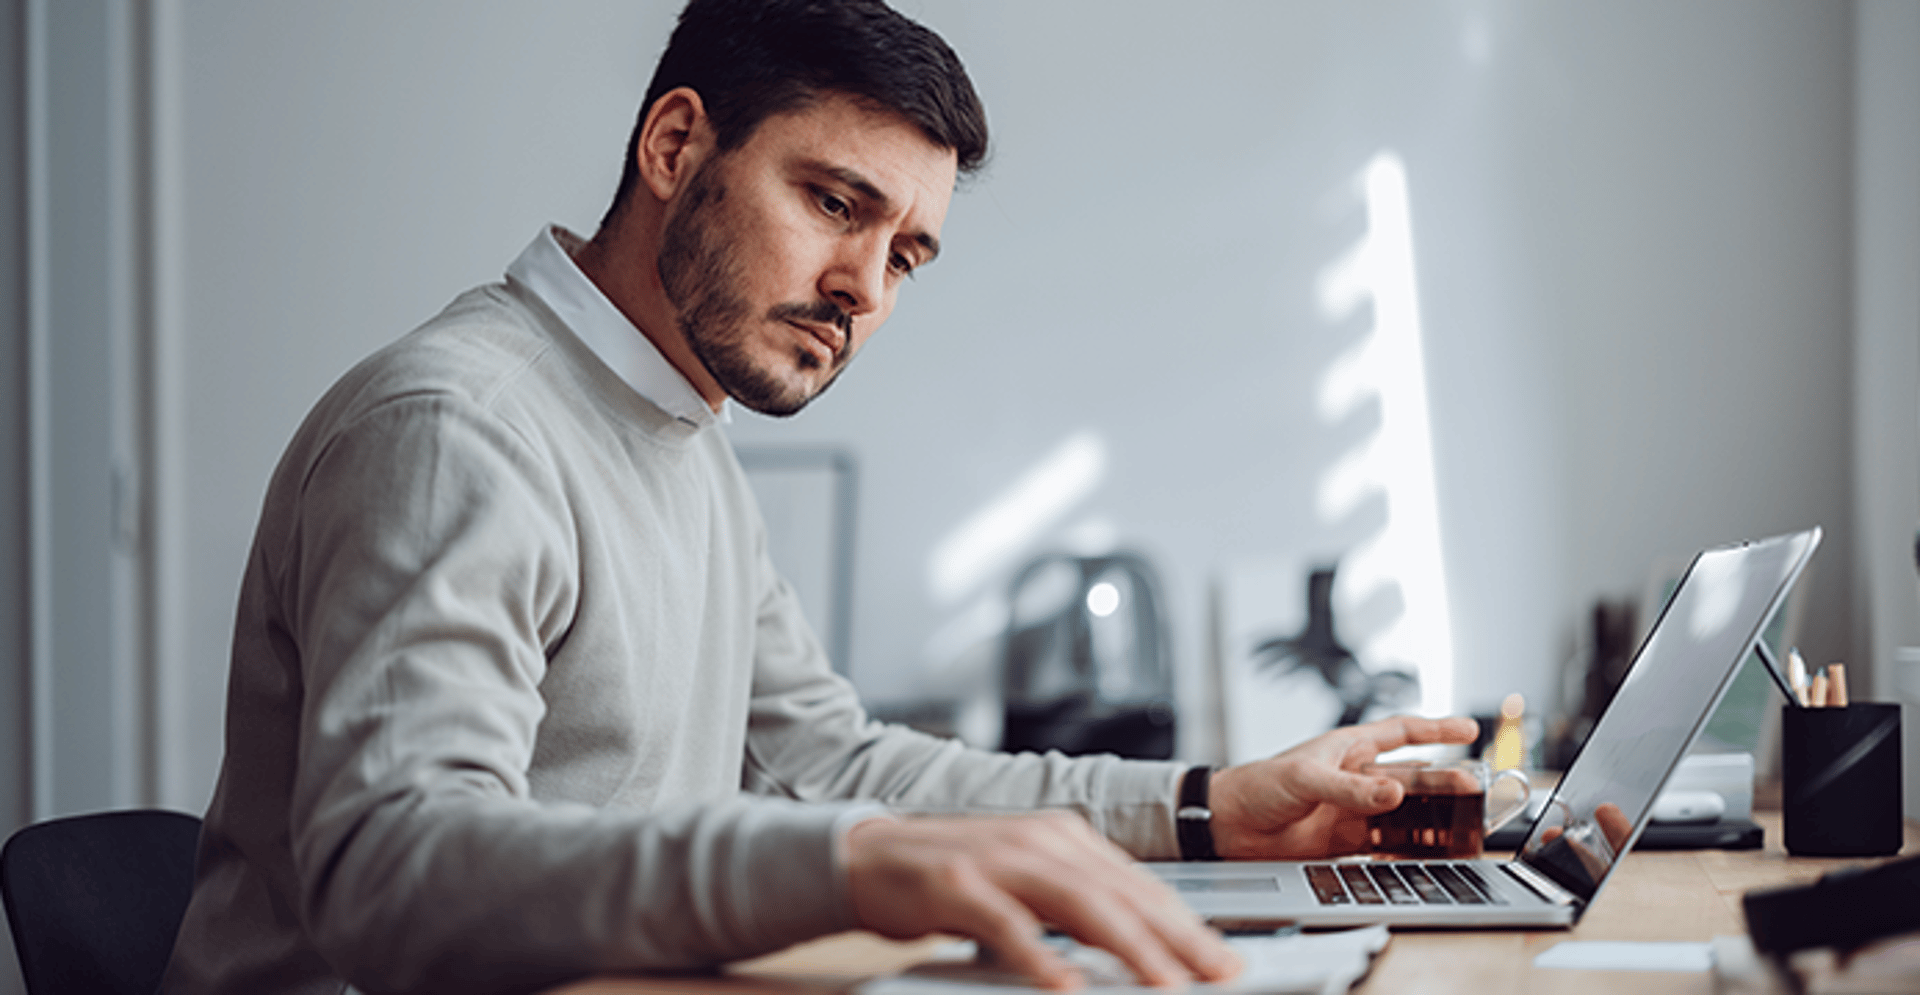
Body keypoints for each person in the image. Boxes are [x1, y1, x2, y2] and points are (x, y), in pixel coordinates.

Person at [160, 2, 1477, 993]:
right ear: (678, 143)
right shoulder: (460, 428)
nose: (866, 289)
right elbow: (389, 867)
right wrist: (845, 861)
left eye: (906, 252)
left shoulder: (679, 438)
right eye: (834, 203)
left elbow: (832, 766)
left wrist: (1201, 804)